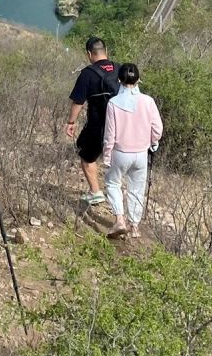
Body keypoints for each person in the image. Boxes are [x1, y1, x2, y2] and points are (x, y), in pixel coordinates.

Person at [101, 62, 163, 239]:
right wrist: (154, 141)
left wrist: (107, 155)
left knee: (113, 183)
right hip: (141, 153)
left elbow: (110, 134)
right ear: (138, 80)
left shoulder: (113, 103)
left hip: (120, 152)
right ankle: (134, 226)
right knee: (137, 189)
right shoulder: (148, 101)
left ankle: (119, 219)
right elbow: (157, 128)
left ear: (119, 79)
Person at [65, 36, 120, 205]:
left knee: (86, 155)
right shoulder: (120, 69)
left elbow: (78, 101)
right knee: (119, 161)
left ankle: (96, 192)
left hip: (98, 125)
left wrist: (71, 122)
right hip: (123, 125)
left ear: (89, 54)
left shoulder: (87, 74)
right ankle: (117, 195)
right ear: (106, 51)